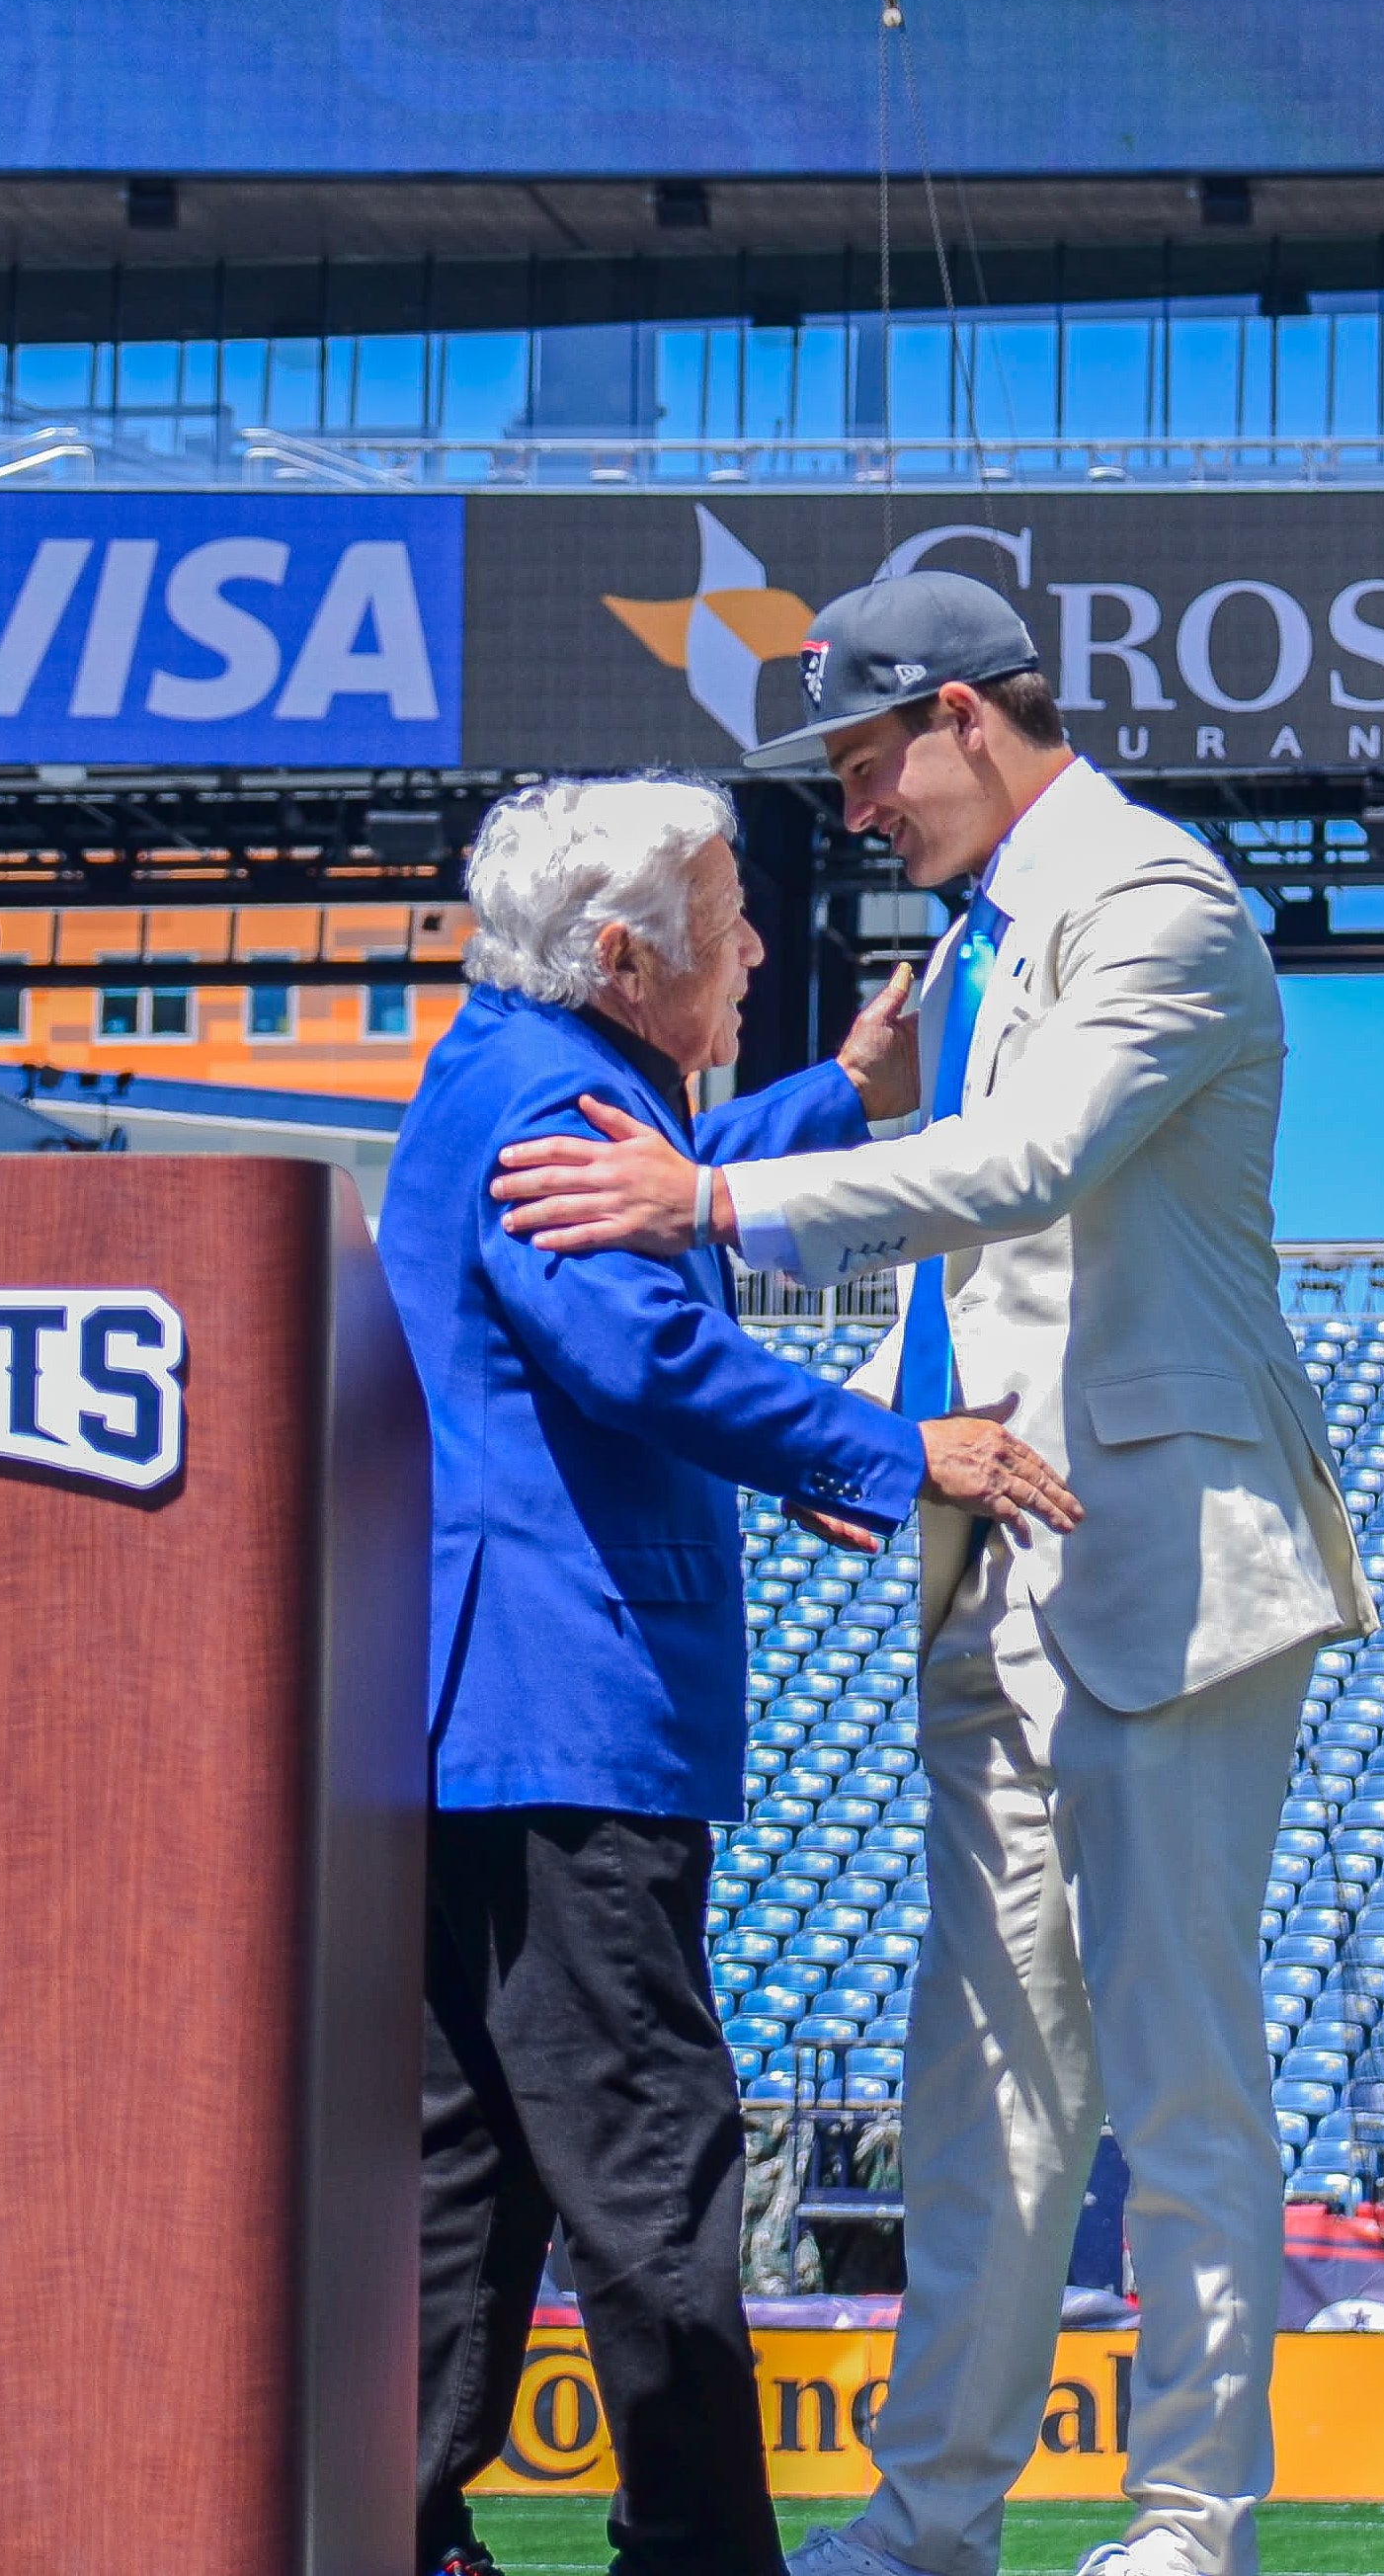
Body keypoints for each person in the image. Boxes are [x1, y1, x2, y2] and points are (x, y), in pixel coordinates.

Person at [492, 580, 1368, 2576]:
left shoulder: (1162, 901)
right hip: (998, 1568)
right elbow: (995, 1268)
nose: (859, 806)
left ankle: (1185, 2525)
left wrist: (709, 1192)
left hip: (1167, 1565)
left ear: (969, 716)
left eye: (873, 763)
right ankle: (929, 2524)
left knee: (1177, 2077)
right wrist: (874, 1443)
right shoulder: (983, 936)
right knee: (974, 2090)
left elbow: (1032, 1167)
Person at [388, 772, 1084, 2576]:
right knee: (645, 2150)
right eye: (729, 912)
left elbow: (664, 1201)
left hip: (485, 1717)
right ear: (624, 957)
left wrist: (838, 1097)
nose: (764, 939)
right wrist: (890, 1450)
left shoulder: (528, 1066)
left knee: (479, 2156)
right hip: (569, 1708)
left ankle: (394, 2521)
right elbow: (628, 1340)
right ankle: (696, 2547)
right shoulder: (553, 1096)